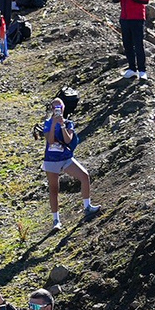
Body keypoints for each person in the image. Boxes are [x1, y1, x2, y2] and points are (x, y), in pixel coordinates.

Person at [40, 97, 97, 231]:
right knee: (54, 189)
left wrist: (62, 125)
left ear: (63, 108)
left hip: (65, 157)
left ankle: (87, 206)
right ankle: (56, 220)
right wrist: (54, 124)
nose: (57, 110)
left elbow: (67, 139)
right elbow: (51, 141)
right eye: (55, 108)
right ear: (52, 109)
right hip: (51, 159)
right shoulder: (47, 123)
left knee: (84, 176)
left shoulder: (69, 123)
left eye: (59, 107)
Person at [113, 0, 153, 79]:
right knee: (127, 44)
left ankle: (142, 70)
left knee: (138, 44)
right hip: (124, 18)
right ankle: (132, 68)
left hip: (137, 18)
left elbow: (145, 0)